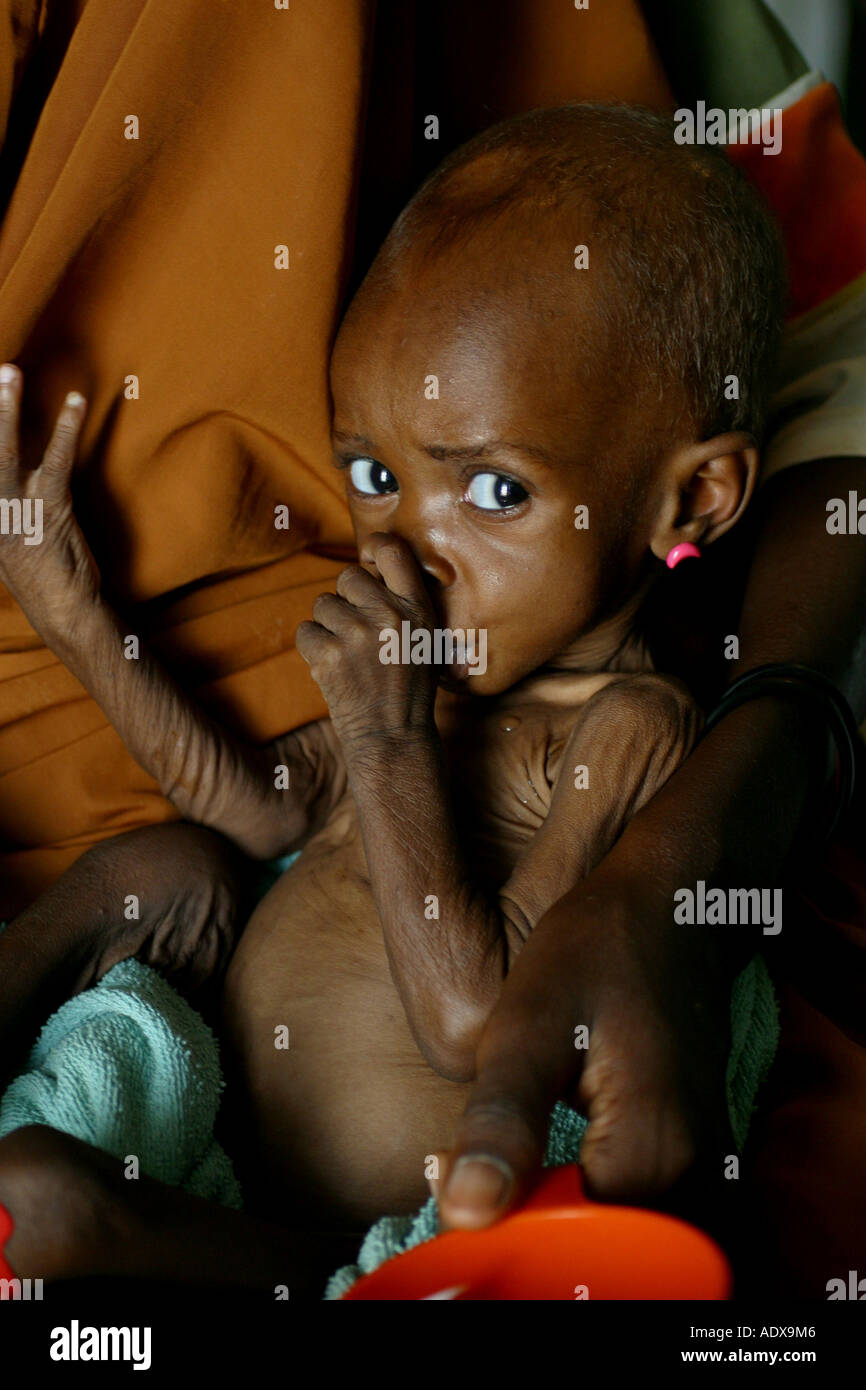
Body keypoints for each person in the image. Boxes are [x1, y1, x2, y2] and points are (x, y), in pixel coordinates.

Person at [0, 102, 786, 1289]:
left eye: (495, 493)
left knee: (41, 1204)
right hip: (216, 1132)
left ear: (691, 501)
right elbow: (258, 814)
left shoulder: (625, 728)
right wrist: (74, 618)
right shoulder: (439, 682)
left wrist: (384, 733)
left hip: (408, 1227)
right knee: (164, 871)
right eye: (375, 477)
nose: (409, 551)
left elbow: (482, 1024)